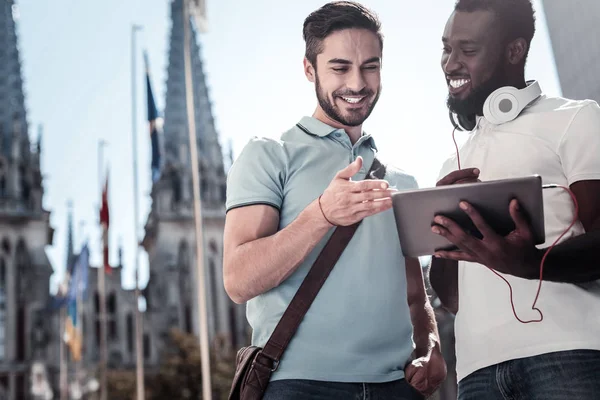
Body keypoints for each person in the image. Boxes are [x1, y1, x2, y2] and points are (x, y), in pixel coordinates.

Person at [224, 2, 446, 399]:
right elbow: (238, 280)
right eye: (340, 68)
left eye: (371, 67)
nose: (358, 84)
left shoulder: (401, 181)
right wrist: (323, 213)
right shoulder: (269, 155)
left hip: (395, 388)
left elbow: (416, 294)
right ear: (310, 69)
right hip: (298, 386)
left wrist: (430, 344)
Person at [429, 0, 600, 399]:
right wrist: (440, 233)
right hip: (476, 372)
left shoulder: (576, 118)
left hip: (569, 354)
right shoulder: (451, 160)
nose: (450, 63)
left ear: (514, 51)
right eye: (446, 48)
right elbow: (451, 297)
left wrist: (531, 263)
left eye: (468, 50)